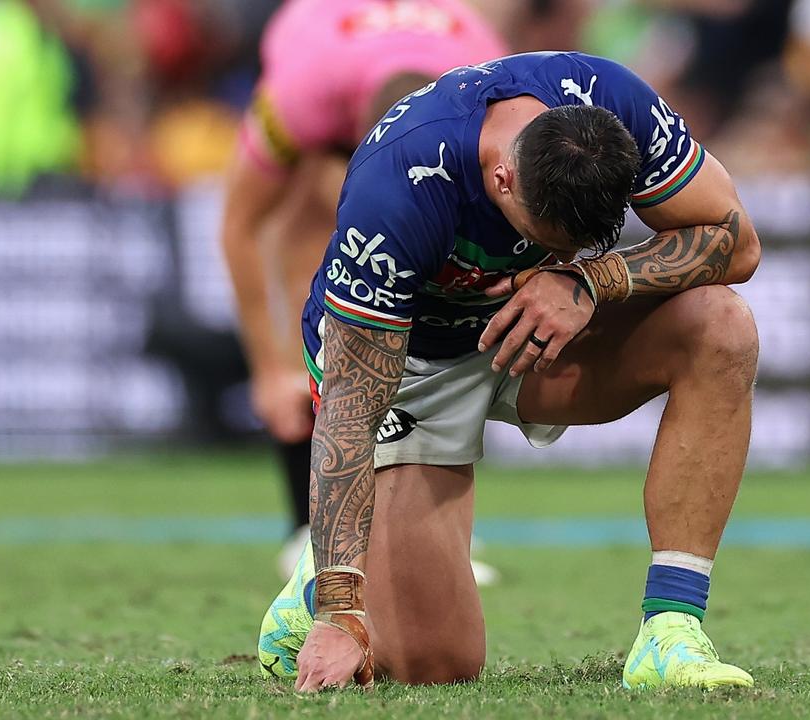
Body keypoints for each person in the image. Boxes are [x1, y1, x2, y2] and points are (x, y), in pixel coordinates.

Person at [257, 51, 761, 691]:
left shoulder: (613, 103)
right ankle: (316, 585)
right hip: (413, 364)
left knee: (722, 327)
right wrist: (339, 610)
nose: (562, 251)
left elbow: (737, 242)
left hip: (544, 330)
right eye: (551, 237)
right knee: (435, 668)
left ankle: (671, 631)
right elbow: (350, 413)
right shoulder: (398, 191)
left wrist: (590, 276)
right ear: (502, 181)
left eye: (582, 241)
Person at [219, 0, 504, 581]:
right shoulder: (300, 98)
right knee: (321, 254)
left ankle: (431, 522)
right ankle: (308, 523)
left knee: (438, 270)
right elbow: (241, 225)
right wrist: (270, 368)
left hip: (425, 102)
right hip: (323, 60)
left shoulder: (491, 90)